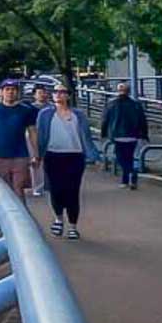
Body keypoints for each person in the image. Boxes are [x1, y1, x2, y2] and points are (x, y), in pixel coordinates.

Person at [37, 85, 101, 240]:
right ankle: (59, 218)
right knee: (56, 190)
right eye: (55, 92)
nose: (58, 95)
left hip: (74, 156)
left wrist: (94, 156)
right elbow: (39, 135)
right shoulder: (45, 114)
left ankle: (73, 225)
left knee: (72, 191)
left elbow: (86, 137)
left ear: (68, 96)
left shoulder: (78, 115)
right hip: (53, 156)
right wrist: (37, 155)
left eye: (62, 92)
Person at [0, 80, 39, 198]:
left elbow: (32, 132)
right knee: (2, 190)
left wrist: (36, 154)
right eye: (7, 89)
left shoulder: (25, 110)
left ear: (17, 92)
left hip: (20, 156)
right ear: (1, 92)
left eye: (13, 90)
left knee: (18, 189)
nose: (10, 92)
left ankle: (21, 215)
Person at [101, 82, 149, 188]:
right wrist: (144, 134)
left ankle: (128, 177)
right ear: (129, 91)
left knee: (121, 158)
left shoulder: (111, 104)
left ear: (118, 91)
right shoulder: (136, 105)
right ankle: (127, 178)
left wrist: (103, 133)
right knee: (130, 157)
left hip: (117, 134)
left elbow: (105, 120)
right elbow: (142, 120)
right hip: (133, 135)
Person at [28, 85, 52, 197]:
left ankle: (49, 185)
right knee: (35, 161)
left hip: (50, 136)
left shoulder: (52, 108)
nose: (42, 94)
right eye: (39, 92)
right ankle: (37, 187)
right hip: (34, 136)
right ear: (34, 95)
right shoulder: (29, 108)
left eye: (44, 92)